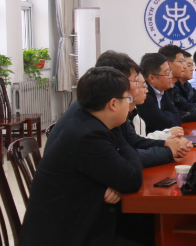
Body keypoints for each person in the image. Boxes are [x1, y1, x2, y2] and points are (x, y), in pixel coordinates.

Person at [18, 67, 155, 246]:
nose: (130, 104)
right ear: (113, 103)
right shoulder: (88, 135)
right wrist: (123, 167)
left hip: (76, 220)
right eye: (128, 98)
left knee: (145, 228)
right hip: (62, 242)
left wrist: (121, 170)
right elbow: (130, 177)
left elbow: (124, 170)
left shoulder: (90, 121)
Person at [47, 50, 187, 168]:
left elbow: (132, 143)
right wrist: (168, 151)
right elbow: (123, 161)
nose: (139, 86)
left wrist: (167, 145)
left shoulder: (107, 106)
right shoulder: (95, 112)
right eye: (135, 80)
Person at [158, 45, 196, 121]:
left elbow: (188, 105)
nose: (185, 67)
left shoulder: (186, 84)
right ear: (168, 64)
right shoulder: (163, 88)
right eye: (181, 62)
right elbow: (177, 113)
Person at [136, 53, 182, 134]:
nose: (171, 76)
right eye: (167, 73)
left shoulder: (162, 90)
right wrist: (167, 115)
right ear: (152, 78)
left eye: (170, 71)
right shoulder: (144, 95)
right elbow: (164, 125)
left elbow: (177, 117)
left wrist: (165, 115)